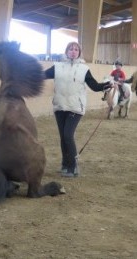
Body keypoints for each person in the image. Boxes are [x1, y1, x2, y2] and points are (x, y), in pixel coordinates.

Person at [45, 41, 112, 178]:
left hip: (75, 107)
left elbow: (94, 86)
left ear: (79, 52)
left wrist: (106, 85)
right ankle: (65, 164)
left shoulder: (84, 69)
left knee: (68, 135)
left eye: (76, 49)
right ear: (66, 51)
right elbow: (42, 75)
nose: (73, 51)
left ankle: (73, 166)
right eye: (71, 49)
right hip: (60, 106)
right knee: (63, 137)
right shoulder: (57, 67)